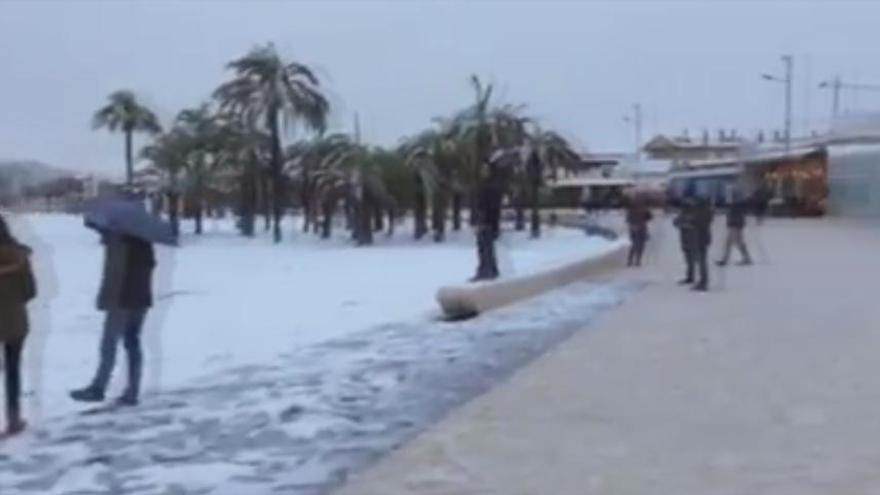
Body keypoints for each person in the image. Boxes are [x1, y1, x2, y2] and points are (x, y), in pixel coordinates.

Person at [71, 231, 156, 406]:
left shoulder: (119, 242)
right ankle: (133, 390)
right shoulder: (144, 241)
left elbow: (113, 273)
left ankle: (98, 387)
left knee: (108, 344)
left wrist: (104, 299)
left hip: (121, 299)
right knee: (132, 343)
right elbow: (150, 266)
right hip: (141, 299)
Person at [0, 214, 36, 435]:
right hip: (16, 322)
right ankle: (14, 420)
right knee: (13, 372)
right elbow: (30, 291)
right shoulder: (19, 257)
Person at [472, 161, 503, 281]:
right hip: (484, 220)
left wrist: (488, 221)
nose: (483, 171)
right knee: (483, 246)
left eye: (485, 169)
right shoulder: (484, 184)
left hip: (488, 221)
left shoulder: (492, 185)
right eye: (482, 169)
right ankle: (487, 269)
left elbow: (493, 206)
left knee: (486, 246)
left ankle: (488, 270)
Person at [717, 192, 753, 267]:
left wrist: (730, 222)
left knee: (730, 242)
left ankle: (725, 259)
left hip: (735, 225)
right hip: (736, 225)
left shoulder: (736, 206)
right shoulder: (737, 205)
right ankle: (746, 258)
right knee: (738, 242)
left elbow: (733, 215)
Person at [625, 197, 653, 267]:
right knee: (640, 245)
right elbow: (649, 217)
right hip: (641, 228)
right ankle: (637, 260)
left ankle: (630, 260)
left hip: (634, 229)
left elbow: (628, 220)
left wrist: (632, 225)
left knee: (635, 244)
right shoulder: (643, 209)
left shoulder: (631, 210)